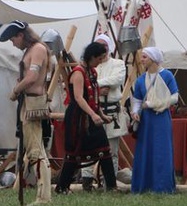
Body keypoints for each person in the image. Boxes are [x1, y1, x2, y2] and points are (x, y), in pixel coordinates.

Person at [54, 41, 119, 194]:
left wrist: (101, 115)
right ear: (91, 57)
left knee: (104, 150)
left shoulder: (92, 72)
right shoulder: (78, 73)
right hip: (78, 118)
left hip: (91, 116)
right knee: (74, 152)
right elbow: (78, 97)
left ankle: (111, 186)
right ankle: (62, 187)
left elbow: (94, 97)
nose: (100, 61)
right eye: (99, 58)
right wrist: (93, 114)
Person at [1, 20, 52, 204]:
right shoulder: (33, 49)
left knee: (36, 152)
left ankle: (44, 197)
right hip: (28, 102)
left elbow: (31, 78)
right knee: (35, 150)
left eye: (13, 39)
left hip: (32, 103)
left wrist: (15, 90)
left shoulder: (37, 49)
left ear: (20, 35)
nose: (13, 43)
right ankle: (43, 195)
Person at [80, 34, 128, 190]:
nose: (103, 49)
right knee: (88, 148)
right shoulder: (91, 65)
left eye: (105, 45)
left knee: (111, 150)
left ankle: (109, 183)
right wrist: (97, 89)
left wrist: (94, 85)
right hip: (93, 110)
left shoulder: (118, 64)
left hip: (112, 111)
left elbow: (118, 80)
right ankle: (86, 182)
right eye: (99, 45)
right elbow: (84, 84)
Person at [130, 46, 179, 193]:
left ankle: (162, 186)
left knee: (161, 150)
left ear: (153, 59)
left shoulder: (167, 76)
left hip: (161, 119)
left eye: (145, 57)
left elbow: (174, 97)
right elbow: (137, 100)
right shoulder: (141, 80)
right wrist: (134, 112)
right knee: (145, 150)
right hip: (146, 120)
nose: (142, 59)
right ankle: (144, 185)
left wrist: (153, 104)